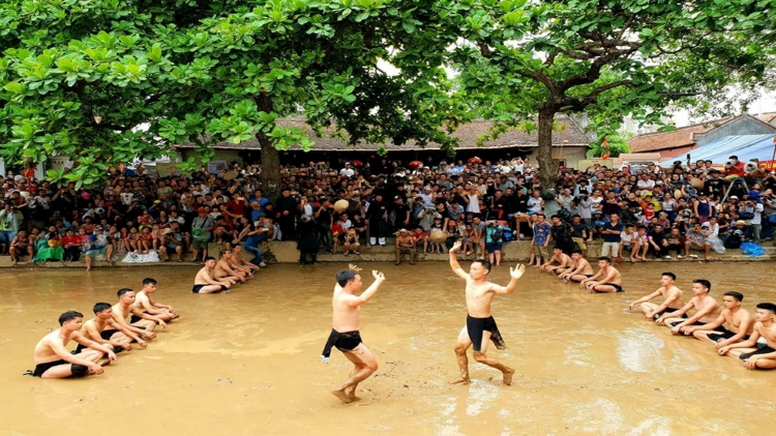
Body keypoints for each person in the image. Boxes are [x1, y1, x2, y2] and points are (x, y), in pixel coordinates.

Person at [448, 240, 526, 386]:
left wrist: (514, 279)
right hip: (471, 320)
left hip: (484, 324)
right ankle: (465, 377)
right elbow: (456, 267)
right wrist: (452, 252)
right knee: (459, 349)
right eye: (471, 268)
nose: (471, 271)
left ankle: (507, 370)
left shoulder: (489, 286)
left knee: (479, 357)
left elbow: (507, 291)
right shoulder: (469, 280)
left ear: (484, 272)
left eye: (474, 269)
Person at [321, 264, 386, 403]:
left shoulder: (338, 290)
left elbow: (340, 282)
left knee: (360, 365)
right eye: (359, 281)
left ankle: (350, 394)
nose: (361, 283)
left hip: (338, 336)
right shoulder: (347, 299)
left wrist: (352, 271)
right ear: (350, 283)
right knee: (371, 366)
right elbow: (363, 299)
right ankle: (341, 388)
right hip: (347, 338)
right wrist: (378, 281)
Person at [29, 311, 116, 379]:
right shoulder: (54, 339)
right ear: (65, 324)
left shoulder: (73, 333)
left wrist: (108, 351)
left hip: (64, 361)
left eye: (81, 322)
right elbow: (68, 357)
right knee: (79, 368)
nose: (80, 324)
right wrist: (91, 364)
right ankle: (90, 367)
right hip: (47, 368)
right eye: (77, 322)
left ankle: (89, 367)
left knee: (103, 348)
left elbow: (90, 343)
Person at [716, 302, 776, 369]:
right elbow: (750, 342)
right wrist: (729, 346)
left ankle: (748, 358)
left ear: (772, 316)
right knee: (726, 349)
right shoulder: (758, 325)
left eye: (761, 313)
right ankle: (747, 358)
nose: (757, 315)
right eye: (756, 312)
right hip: (767, 349)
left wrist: (756, 356)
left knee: (760, 363)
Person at [685, 292, 754, 348]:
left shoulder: (745, 315)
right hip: (729, 333)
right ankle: (718, 343)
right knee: (697, 333)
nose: (725, 303)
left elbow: (742, 334)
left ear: (738, 303)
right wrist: (694, 328)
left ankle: (725, 344)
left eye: (729, 301)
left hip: (742, 338)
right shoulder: (725, 311)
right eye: (724, 301)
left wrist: (726, 342)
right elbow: (714, 324)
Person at [76, 302, 148, 354]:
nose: (111, 314)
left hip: (99, 341)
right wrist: (121, 344)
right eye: (108, 312)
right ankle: (88, 352)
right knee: (109, 346)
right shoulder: (90, 324)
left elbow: (122, 329)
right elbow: (99, 340)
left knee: (135, 334)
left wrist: (138, 340)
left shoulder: (108, 319)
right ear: (98, 314)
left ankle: (119, 347)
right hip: (87, 345)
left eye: (111, 311)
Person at [657, 279, 723, 335]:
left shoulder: (711, 302)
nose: (693, 289)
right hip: (698, 322)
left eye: (697, 288)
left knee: (681, 328)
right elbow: (681, 311)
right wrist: (663, 317)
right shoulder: (694, 299)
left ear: (706, 289)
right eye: (693, 287)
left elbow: (696, 317)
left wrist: (679, 326)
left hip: (708, 325)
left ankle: (709, 332)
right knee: (668, 320)